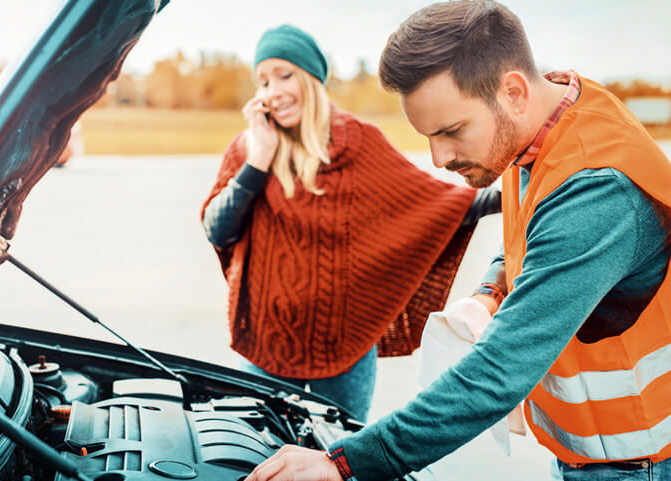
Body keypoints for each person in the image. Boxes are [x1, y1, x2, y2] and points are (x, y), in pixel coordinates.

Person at [244, 2, 671, 481]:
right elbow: (531, 231)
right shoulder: (551, 120)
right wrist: (490, 291)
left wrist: (341, 463)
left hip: (642, 466)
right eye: (428, 135)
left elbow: (497, 373)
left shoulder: (597, 189)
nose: (438, 157)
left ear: (513, 91)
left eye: (451, 131)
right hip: (601, 460)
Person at [202, 24, 501, 423]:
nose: (272, 90)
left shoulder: (359, 141)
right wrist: (260, 159)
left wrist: (512, 192)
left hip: (345, 343)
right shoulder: (249, 146)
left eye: (284, 75)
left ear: (310, 79)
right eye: (263, 81)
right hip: (265, 341)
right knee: (252, 450)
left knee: (338, 452)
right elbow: (217, 230)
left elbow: (433, 203)